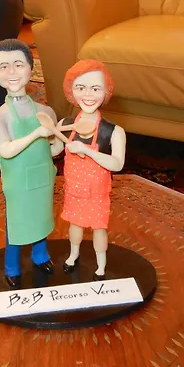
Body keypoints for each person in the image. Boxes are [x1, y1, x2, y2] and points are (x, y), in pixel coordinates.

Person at [0, 39, 63, 289]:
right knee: (17, 226)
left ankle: (40, 256)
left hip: (43, 177)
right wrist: (36, 134)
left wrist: (63, 142)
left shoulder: (46, 112)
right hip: (17, 182)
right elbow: (6, 150)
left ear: (31, 68)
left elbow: (53, 149)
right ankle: (12, 267)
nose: (12, 72)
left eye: (18, 64)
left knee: (42, 218)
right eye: (3, 66)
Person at [58, 59, 126, 280]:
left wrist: (87, 151)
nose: (88, 94)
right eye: (81, 87)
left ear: (106, 92)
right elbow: (54, 149)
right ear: (71, 90)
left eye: (95, 89)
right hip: (74, 190)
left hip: (97, 193)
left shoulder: (113, 131)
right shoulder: (65, 125)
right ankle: (73, 255)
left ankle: (101, 266)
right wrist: (45, 135)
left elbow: (117, 164)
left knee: (99, 229)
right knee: (75, 225)